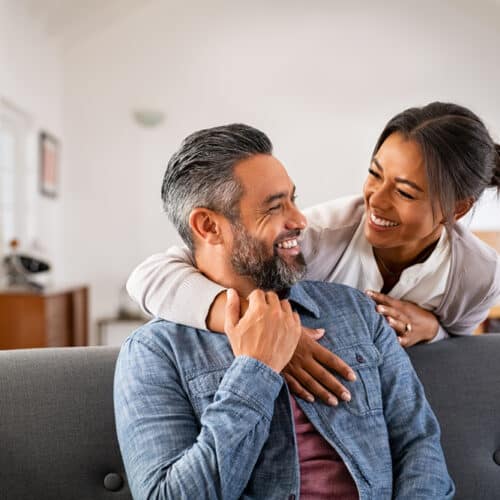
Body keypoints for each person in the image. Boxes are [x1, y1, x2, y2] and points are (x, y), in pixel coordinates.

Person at [114, 123, 454, 499]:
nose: (300, 220)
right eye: (275, 207)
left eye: (293, 199)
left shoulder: (357, 311)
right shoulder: (154, 352)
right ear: (209, 226)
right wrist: (254, 371)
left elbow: (419, 444)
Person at [127, 102, 500, 405]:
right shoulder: (318, 236)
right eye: (374, 174)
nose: (377, 200)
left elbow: (458, 348)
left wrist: (432, 329)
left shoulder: (476, 276)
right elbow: (150, 276)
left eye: (404, 192)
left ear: (457, 210)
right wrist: (261, 330)